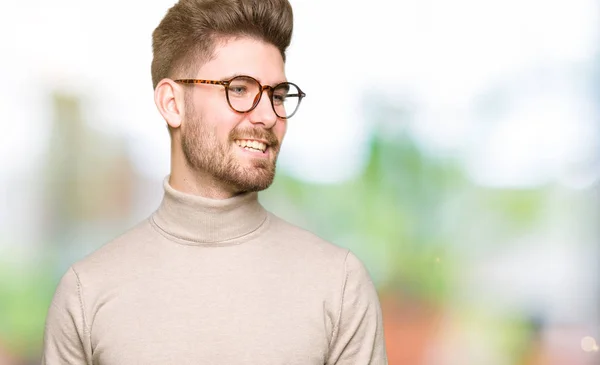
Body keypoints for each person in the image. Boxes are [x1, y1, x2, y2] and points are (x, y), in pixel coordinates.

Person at [41, 0, 388, 364]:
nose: (269, 116)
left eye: (278, 95)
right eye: (239, 89)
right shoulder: (86, 293)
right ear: (172, 104)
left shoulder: (340, 285)